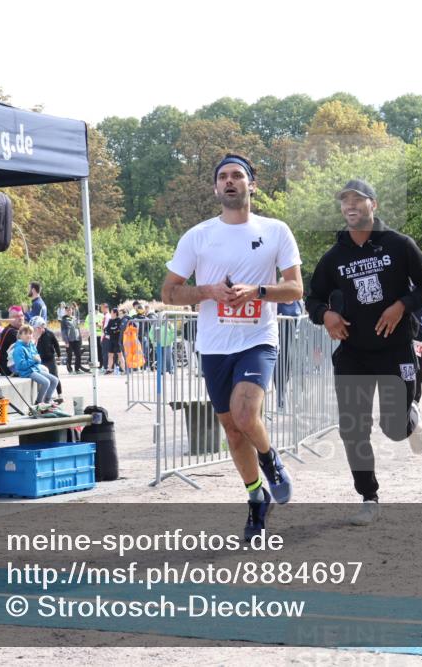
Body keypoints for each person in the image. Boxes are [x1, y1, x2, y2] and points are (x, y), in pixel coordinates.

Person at [161, 153, 302, 540]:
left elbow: (295, 288)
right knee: (233, 430)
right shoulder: (198, 235)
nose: (229, 181)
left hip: (257, 339)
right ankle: (257, 499)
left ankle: (271, 461)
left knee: (244, 414)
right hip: (214, 345)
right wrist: (207, 291)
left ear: (251, 184)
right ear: (214, 187)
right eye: (222, 176)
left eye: (237, 175)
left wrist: (257, 290)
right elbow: (169, 292)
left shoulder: (275, 231)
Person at [307, 178, 422, 526]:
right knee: (353, 428)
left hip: (394, 348)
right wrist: (326, 315)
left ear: (373, 205)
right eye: (344, 201)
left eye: (358, 199)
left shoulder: (399, 245)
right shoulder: (334, 257)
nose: (350, 205)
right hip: (353, 353)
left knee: (394, 429)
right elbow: (313, 298)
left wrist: (402, 305)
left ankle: (410, 418)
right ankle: (369, 497)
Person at [12, 324, 59, 406]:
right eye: (25, 333)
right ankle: (38, 402)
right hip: (27, 372)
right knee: (46, 382)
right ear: (20, 335)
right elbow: (21, 366)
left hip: (35, 369)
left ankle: (47, 401)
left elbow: (37, 359)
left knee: (55, 380)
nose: (28, 335)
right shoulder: (18, 348)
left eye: (30, 333)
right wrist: (33, 360)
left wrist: (37, 360)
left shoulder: (31, 345)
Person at [274, 298, 302, 410]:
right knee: (280, 368)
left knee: (287, 369)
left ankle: (282, 391)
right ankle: (280, 398)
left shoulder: (298, 302)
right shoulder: (277, 303)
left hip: (293, 341)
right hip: (280, 341)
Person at [30, 316, 63, 397]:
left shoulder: (49, 334)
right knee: (45, 377)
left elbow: (56, 344)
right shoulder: (34, 336)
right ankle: (47, 395)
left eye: (38, 328)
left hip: (50, 358)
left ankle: (60, 394)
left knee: (55, 376)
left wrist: (59, 355)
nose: (37, 330)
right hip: (41, 360)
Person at [0, 305, 25, 375]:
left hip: (9, 368)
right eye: (16, 316)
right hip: (10, 370)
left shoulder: (11, 329)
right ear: (10, 318)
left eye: (21, 315)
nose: (20, 318)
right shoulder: (12, 332)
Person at [60, 306, 86, 373]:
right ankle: (70, 369)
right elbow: (63, 332)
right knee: (70, 355)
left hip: (76, 339)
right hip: (69, 340)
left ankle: (77, 369)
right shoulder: (64, 320)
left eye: (70, 310)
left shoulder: (75, 318)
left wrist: (80, 338)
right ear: (65, 311)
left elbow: (78, 329)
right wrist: (66, 341)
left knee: (78, 354)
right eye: (68, 310)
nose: (69, 311)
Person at [102, 307, 126, 374]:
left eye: (112, 312)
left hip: (117, 340)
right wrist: (113, 330)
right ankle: (109, 369)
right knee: (110, 354)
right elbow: (107, 329)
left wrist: (113, 330)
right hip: (111, 340)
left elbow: (118, 329)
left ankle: (124, 369)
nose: (111, 314)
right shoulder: (110, 320)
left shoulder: (119, 320)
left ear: (115, 313)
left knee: (120, 355)